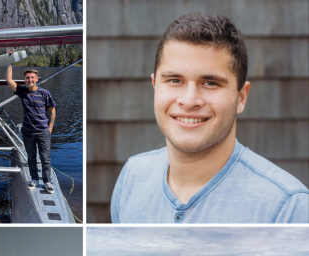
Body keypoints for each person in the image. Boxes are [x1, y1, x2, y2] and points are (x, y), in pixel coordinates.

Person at [110, 12, 309, 223]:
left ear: (241, 97)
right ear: (155, 87)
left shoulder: (288, 209)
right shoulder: (132, 176)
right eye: (175, 80)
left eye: (211, 83)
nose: (189, 100)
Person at [6, 64, 57, 194]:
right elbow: (9, 80)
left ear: (37, 79)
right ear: (25, 80)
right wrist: (9, 64)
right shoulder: (23, 92)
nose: (30, 80)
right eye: (27, 78)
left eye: (32, 77)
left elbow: (52, 110)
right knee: (31, 157)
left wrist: (50, 127)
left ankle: (47, 182)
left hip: (43, 131)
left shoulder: (45, 93)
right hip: (28, 131)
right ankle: (34, 179)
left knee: (45, 158)